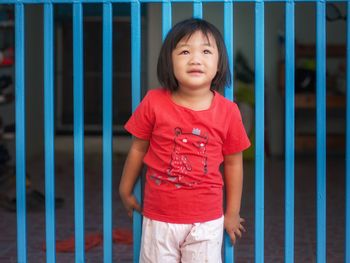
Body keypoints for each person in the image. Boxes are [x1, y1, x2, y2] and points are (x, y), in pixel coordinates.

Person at [119, 18, 251, 263]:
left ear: (219, 65)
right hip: (159, 218)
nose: (195, 59)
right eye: (185, 51)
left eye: (206, 51)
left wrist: (232, 213)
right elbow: (137, 149)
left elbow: (234, 163)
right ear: (169, 61)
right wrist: (125, 189)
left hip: (207, 220)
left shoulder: (229, 111)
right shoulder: (153, 102)